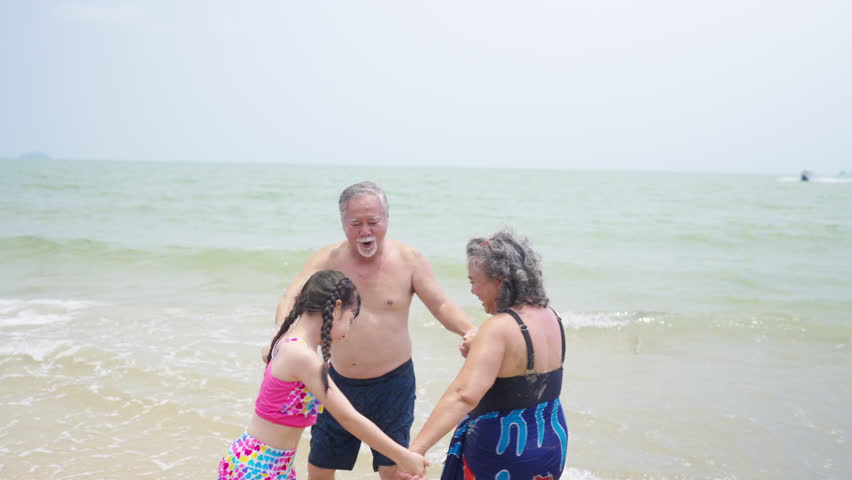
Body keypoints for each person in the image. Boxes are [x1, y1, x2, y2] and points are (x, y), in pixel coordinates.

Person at [271, 181, 475, 480]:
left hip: (393, 383)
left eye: (373, 222)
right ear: (343, 222)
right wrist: (280, 338)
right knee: (320, 468)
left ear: (387, 219)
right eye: (355, 224)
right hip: (336, 380)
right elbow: (292, 296)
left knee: (393, 469)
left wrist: (470, 331)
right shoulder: (327, 259)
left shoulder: (408, 259)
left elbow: (441, 305)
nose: (365, 231)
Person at [220, 270, 427, 480]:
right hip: (258, 468)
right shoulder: (302, 356)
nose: (347, 331)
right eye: (350, 320)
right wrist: (403, 457)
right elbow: (348, 417)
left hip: (265, 464)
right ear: (337, 308)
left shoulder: (289, 343)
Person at [409, 230, 568, 480]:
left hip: (506, 448)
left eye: (474, 281)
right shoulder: (551, 316)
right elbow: (522, 376)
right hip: (550, 441)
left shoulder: (498, 328)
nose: (473, 291)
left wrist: (417, 450)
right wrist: (479, 352)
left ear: (499, 281)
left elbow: (463, 395)